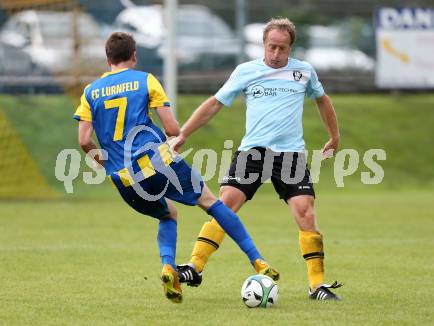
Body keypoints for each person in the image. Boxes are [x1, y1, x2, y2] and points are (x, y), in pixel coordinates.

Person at [73, 32, 278, 304]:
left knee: (168, 215)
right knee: (212, 203)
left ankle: (169, 266)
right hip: (157, 162)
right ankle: (258, 261)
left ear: (108, 58)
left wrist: (103, 162)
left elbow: (84, 140)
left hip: (123, 178)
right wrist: (171, 140)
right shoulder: (145, 80)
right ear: (134, 56)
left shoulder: (90, 92)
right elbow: (172, 129)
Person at [172, 18, 342, 300]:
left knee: (306, 211)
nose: (276, 54)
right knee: (225, 205)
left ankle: (317, 285)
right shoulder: (246, 71)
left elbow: (322, 100)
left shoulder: (303, 72)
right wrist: (183, 134)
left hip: (289, 155)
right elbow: (214, 103)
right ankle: (195, 266)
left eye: (283, 49)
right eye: (272, 47)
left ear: (291, 48)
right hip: (253, 152)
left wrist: (334, 136)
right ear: (263, 44)